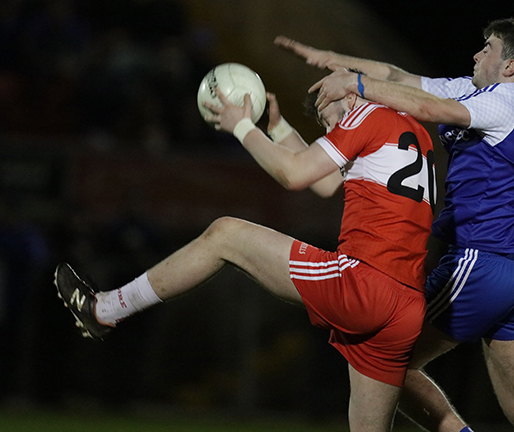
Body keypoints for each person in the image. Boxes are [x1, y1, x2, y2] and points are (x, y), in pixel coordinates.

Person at [54, 77, 436, 431]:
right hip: (405, 305)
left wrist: (241, 125)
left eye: (325, 111)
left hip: (361, 282)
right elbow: (326, 182)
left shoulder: (364, 113)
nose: (326, 125)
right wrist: (277, 128)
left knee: (226, 234)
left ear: (350, 95)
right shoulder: (411, 131)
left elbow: (294, 174)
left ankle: (104, 309)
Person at [275, 17, 514, 432]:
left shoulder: (501, 101)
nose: (476, 53)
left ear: (508, 67)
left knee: (385, 355)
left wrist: (355, 86)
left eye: (487, 47)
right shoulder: (475, 92)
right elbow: (398, 77)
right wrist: (335, 61)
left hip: (480, 264)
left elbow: (429, 109)